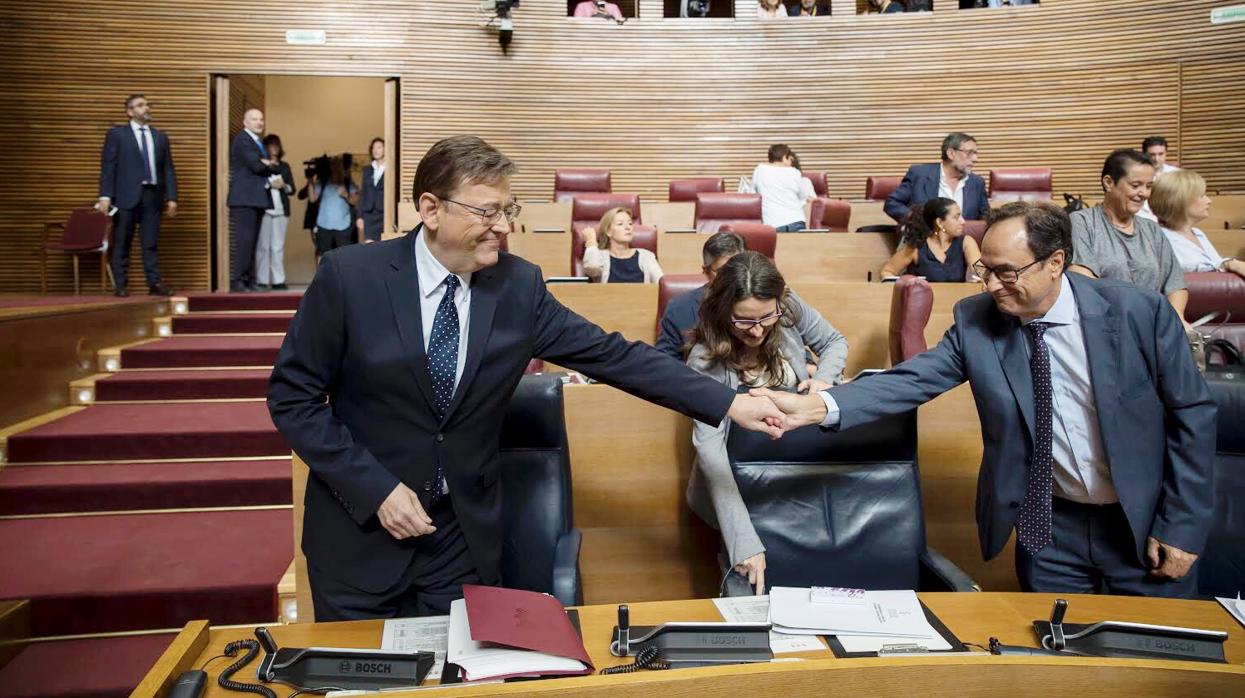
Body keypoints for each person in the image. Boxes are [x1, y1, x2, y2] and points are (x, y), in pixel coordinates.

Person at [267, 135, 785, 619]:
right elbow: (294, 400)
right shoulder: (350, 277)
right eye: (486, 211)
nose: (503, 226)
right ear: (430, 209)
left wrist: (728, 402)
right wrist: (376, 489)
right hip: (360, 536)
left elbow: (614, 356)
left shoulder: (517, 287)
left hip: (459, 539)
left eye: (507, 211)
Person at [756, 201, 1216, 597]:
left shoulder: (1139, 312)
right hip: (1051, 531)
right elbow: (912, 379)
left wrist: (1181, 525)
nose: (991, 285)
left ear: (1055, 262)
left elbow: (1191, 415)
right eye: (985, 270)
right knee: (1056, 666)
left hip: (1142, 525)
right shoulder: (979, 320)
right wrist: (818, 407)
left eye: (1006, 272)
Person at [686, 252, 849, 594]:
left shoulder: (786, 308)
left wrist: (823, 379)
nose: (758, 330)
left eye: (766, 318)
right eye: (744, 321)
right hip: (737, 489)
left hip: (794, 477)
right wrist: (743, 541)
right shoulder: (704, 359)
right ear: (723, 312)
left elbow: (834, 342)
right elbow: (711, 449)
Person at [1069, 149, 1187, 321]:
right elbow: (1083, 282)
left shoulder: (1152, 229)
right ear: (1109, 182)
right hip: (1106, 324)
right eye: (1135, 185)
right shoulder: (1082, 222)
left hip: (1153, 324)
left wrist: (1176, 320)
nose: (1144, 193)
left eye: (1148, 186)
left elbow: (1175, 284)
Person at [97, 94, 177, 297]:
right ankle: (121, 285)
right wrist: (105, 195)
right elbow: (108, 166)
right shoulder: (117, 135)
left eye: (147, 105)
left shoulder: (160, 136)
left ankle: (154, 283)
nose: (146, 108)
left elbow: (168, 168)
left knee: (150, 242)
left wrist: (172, 197)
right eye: (140, 105)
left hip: (153, 195)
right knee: (123, 241)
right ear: (129, 112)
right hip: (126, 195)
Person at [656, 232, 748, 358]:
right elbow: (665, 364)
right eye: (722, 271)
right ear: (706, 271)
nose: (731, 277)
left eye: (738, 268)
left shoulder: (761, 304)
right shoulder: (680, 309)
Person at [1152, 170, 1245, 278]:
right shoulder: (1159, 238)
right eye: (1202, 196)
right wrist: (1229, 264)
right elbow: (1180, 269)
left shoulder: (1197, 233)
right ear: (1181, 201)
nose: (1209, 201)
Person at [885, 132, 990, 224]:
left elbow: (985, 216)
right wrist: (917, 221)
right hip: (923, 241)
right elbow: (892, 204)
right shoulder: (920, 175)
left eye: (976, 153)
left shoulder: (977, 183)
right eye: (970, 153)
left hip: (962, 243)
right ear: (951, 153)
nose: (976, 159)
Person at [227, 108, 278, 292]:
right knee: (245, 241)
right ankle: (239, 280)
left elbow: (264, 164)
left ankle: (249, 279)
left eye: (261, 119)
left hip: (255, 198)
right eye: (254, 119)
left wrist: (266, 163)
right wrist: (266, 163)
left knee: (253, 242)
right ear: (245, 122)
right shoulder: (243, 139)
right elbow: (256, 165)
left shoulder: (257, 142)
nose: (259, 122)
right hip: (245, 198)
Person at [880, 197, 982, 281]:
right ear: (939, 222)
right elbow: (887, 272)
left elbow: (981, 271)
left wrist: (981, 279)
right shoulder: (916, 247)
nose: (963, 221)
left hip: (957, 301)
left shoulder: (966, 242)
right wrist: (905, 285)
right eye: (956, 217)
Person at [580, 207, 663, 283]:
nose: (628, 227)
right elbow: (592, 267)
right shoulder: (600, 256)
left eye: (630, 223)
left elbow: (661, 283)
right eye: (620, 224)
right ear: (608, 231)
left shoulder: (646, 256)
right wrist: (591, 241)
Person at [256, 134, 294, 291]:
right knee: (263, 246)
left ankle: (279, 280)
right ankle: (262, 280)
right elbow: (255, 185)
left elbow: (292, 189)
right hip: (265, 208)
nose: (274, 149)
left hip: (281, 210)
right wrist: (268, 184)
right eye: (270, 146)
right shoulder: (260, 165)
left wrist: (284, 185)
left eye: (276, 146)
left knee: (278, 246)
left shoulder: (285, 167)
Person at [752, 145, 816, 232]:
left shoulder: (760, 170)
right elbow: (804, 197)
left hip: (773, 223)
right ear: (784, 157)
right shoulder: (795, 172)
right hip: (797, 221)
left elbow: (753, 194)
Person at [308, 155, 359, 258]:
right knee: (322, 255)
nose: (335, 169)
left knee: (344, 255)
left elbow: (355, 201)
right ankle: (323, 274)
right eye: (333, 166)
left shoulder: (348, 183)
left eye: (337, 167)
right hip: (324, 225)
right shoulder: (322, 183)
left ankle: (343, 274)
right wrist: (310, 181)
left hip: (343, 226)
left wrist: (345, 195)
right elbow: (312, 198)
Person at [1137, 136, 1181, 222]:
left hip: (1172, 218)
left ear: (1166, 153)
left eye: (1160, 154)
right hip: (1143, 217)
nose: (1156, 159)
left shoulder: (1177, 173)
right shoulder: (1135, 173)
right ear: (1144, 154)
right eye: (1152, 155)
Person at [359, 138, 386, 244]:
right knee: (369, 246)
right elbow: (363, 193)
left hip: (383, 214)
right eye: (373, 148)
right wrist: (360, 216)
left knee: (383, 246)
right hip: (369, 214)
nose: (376, 150)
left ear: (385, 149)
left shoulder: (391, 168)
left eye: (379, 147)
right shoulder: (367, 169)